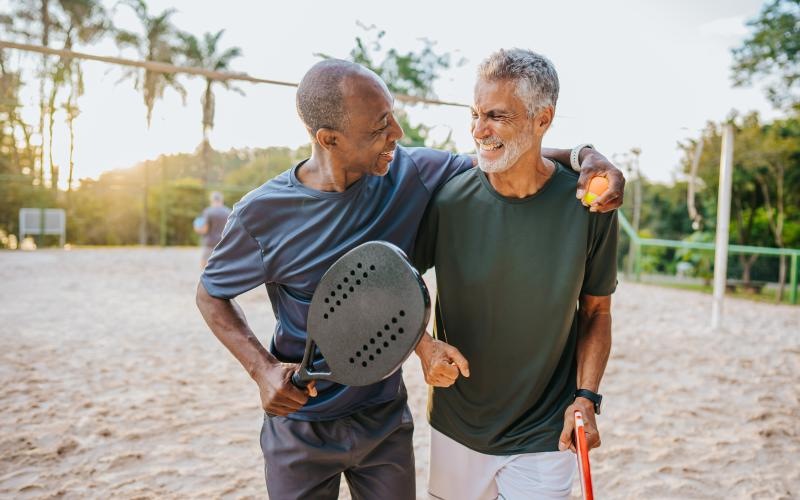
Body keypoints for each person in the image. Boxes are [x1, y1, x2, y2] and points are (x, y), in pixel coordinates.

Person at [195, 58, 623, 499]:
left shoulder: (411, 172)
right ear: (330, 139)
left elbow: (506, 155)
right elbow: (211, 295)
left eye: (392, 116)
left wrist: (587, 157)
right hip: (301, 422)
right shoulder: (263, 213)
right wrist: (261, 369)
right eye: (381, 126)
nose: (397, 133)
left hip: (383, 417)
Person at [413, 49, 618, 500]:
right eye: (475, 113)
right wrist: (423, 347)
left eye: (496, 116)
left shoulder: (590, 205)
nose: (478, 130)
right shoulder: (448, 199)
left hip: (547, 430)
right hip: (456, 425)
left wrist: (587, 397)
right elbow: (399, 282)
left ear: (542, 119)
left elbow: (597, 311)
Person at [194, 191, 232, 268]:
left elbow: (204, 229)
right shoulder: (229, 212)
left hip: (209, 243)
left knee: (204, 265)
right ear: (222, 200)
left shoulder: (208, 211)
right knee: (222, 266)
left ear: (211, 200)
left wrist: (196, 228)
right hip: (223, 242)